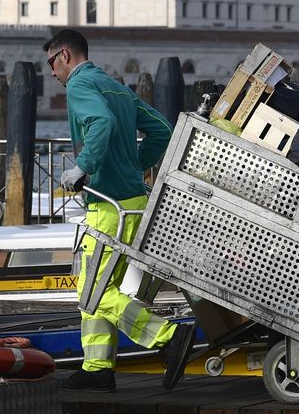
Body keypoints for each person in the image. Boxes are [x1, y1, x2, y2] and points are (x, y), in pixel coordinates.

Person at [44, 29, 195, 392]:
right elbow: (161, 129)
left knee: (92, 292)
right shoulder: (114, 86)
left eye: (51, 63)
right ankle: (98, 368)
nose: (51, 73)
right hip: (135, 203)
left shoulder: (80, 86)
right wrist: (135, 164)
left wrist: (83, 166)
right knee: (99, 286)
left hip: (107, 205)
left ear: (64, 55)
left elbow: (102, 123)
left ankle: (168, 336)